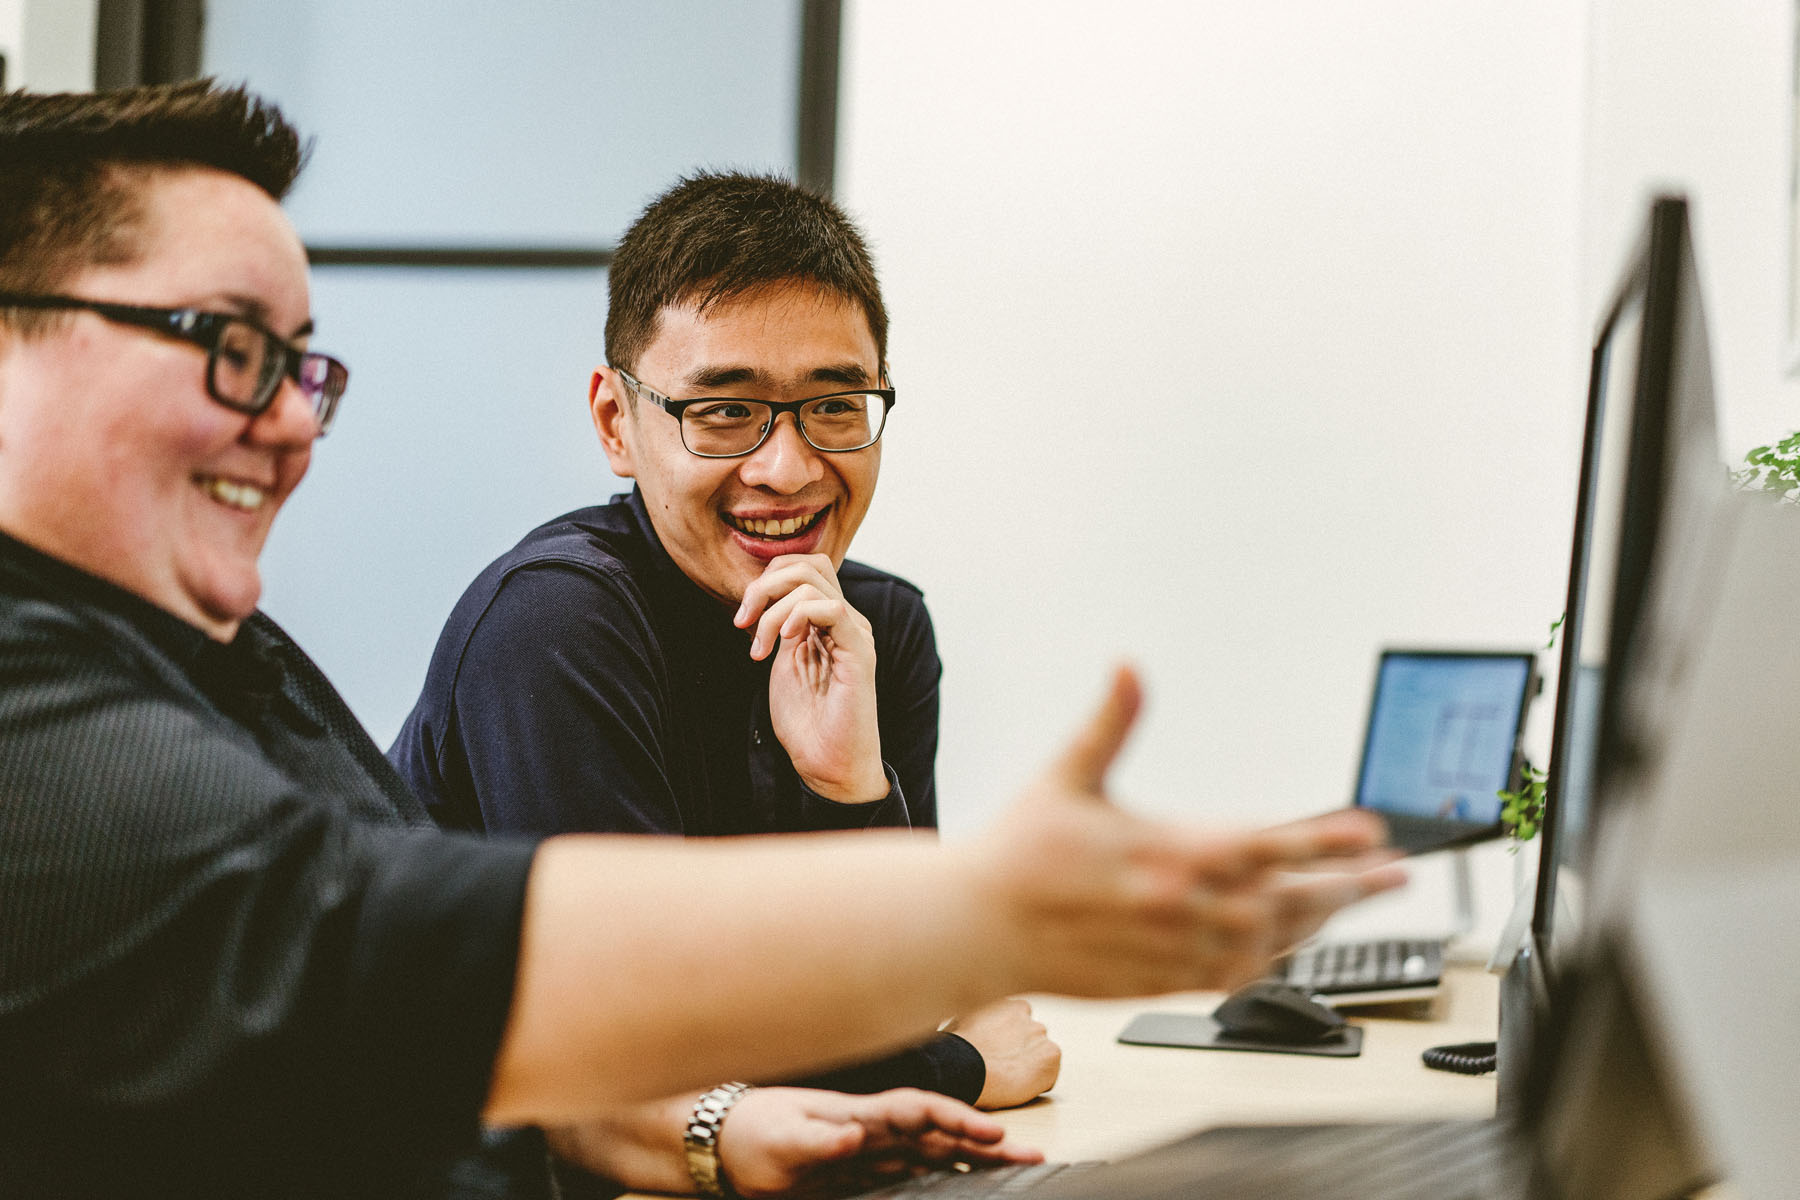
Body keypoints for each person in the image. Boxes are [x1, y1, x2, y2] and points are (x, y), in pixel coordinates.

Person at [0, 81, 1405, 1200]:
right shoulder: (36, 711)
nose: (296, 421)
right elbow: (411, 954)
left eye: (305, 365)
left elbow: (421, 1059)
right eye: (228, 347)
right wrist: (992, 912)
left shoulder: (228, 658)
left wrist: (700, 1134)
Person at [390, 170, 1052, 1111]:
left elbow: (896, 1001)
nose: (787, 469)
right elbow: (641, 1043)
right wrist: (959, 1071)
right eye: (725, 412)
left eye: (836, 405)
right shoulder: (555, 624)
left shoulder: (875, 632)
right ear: (618, 424)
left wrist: (847, 783)